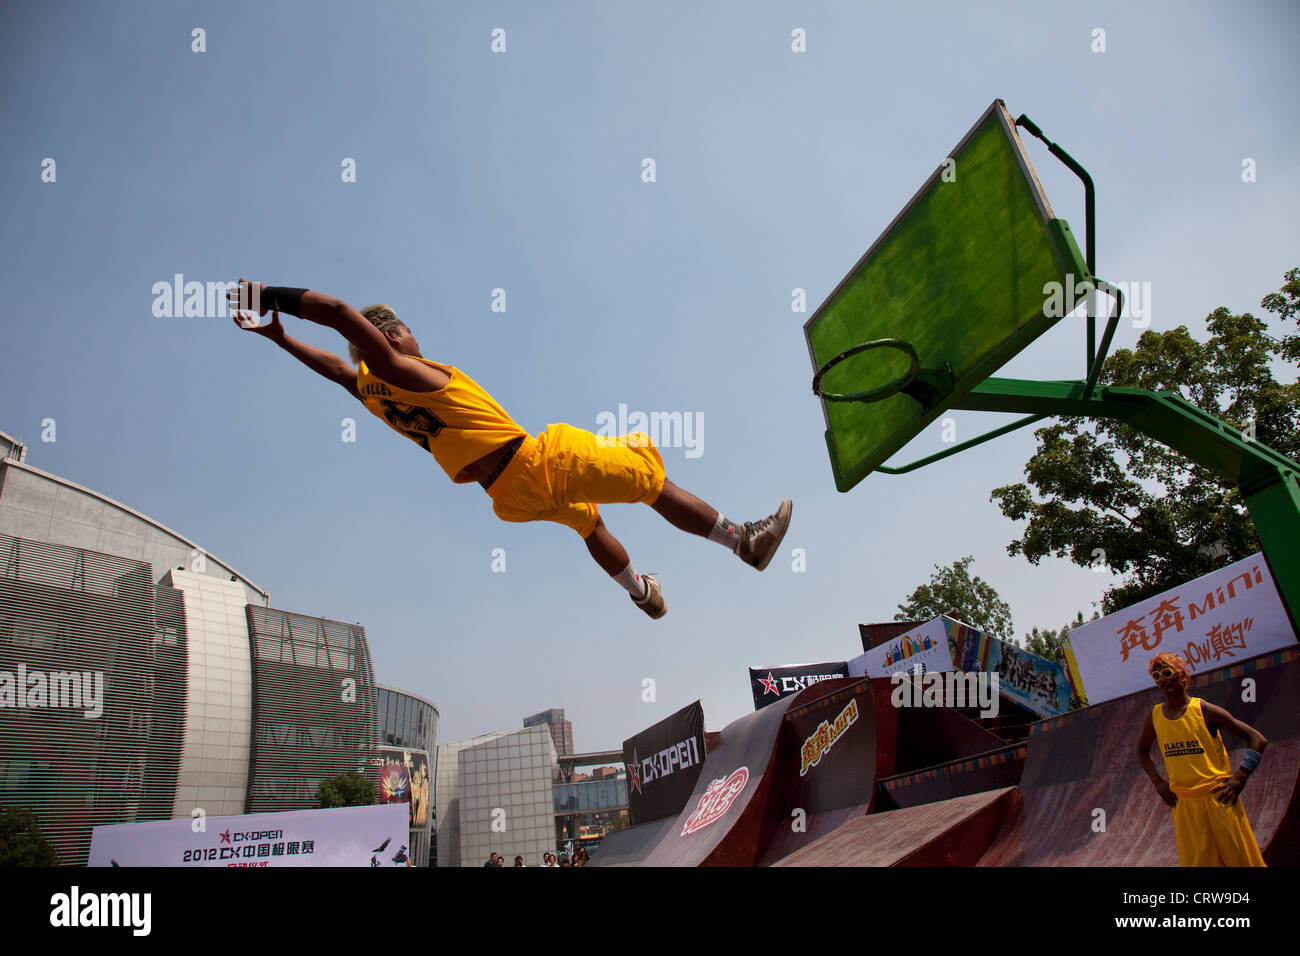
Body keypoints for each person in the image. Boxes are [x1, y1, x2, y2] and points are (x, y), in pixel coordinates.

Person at [230, 281, 792, 619]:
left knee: (591, 528)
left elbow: (336, 370)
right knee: (649, 479)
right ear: (393, 336)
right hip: (536, 460)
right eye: (405, 330)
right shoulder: (401, 369)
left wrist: (282, 341)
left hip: (508, 497)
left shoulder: (374, 394)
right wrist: (266, 296)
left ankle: (642, 592)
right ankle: (744, 543)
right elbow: (336, 310)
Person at [1136, 651, 1268, 867]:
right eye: (1157, 676)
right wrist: (1158, 782)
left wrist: (1240, 778)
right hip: (1185, 804)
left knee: (1241, 860)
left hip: (1219, 799)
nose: (1163, 680)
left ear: (1183, 677)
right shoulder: (1155, 716)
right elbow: (1142, 750)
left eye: (1167, 673)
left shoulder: (1204, 710)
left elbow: (1257, 739)